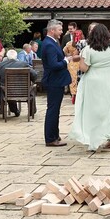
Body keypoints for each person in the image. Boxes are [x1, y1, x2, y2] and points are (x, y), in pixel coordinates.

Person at [70, 24, 110, 152]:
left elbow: (84, 68)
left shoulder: (88, 49)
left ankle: (95, 138)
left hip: (94, 81)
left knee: (94, 111)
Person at [41, 19, 72, 147]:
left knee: (55, 109)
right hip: (54, 80)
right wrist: (66, 61)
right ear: (52, 30)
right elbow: (54, 64)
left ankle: (55, 134)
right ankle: (50, 138)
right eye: (59, 30)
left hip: (56, 80)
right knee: (53, 110)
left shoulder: (53, 42)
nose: (62, 32)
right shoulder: (49, 44)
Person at [0, 49, 37, 117]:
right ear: (16, 57)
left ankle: (14, 110)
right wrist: (32, 81)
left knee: (6, 89)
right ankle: (32, 111)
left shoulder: (1, 65)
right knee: (31, 89)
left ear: (7, 58)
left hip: (8, 92)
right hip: (24, 91)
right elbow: (34, 75)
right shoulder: (24, 64)